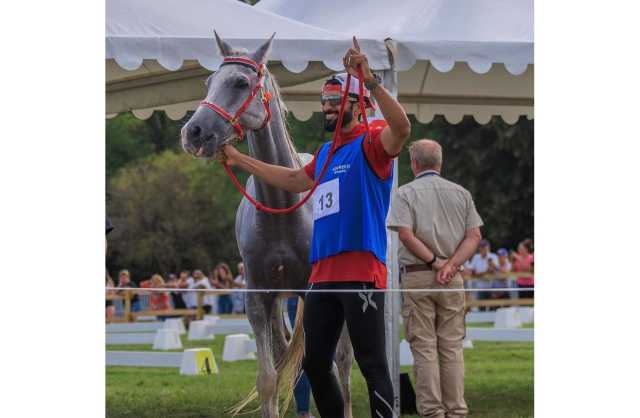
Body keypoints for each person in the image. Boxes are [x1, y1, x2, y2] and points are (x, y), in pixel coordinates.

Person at [221, 38, 411, 418]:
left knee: (372, 366)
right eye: (324, 102)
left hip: (360, 274)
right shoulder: (325, 153)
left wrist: (370, 80)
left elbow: (402, 128)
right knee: (313, 363)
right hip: (321, 278)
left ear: (357, 106)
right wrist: (241, 159)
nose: (326, 107)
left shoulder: (373, 143)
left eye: (334, 101)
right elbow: (292, 179)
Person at [387, 139, 482, 418]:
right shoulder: (461, 194)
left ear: (414, 163)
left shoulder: (404, 194)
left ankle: (432, 411)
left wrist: (434, 261)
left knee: (424, 346)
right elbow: (474, 236)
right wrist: (450, 265)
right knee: (452, 346)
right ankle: (456, 409)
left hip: (418, 276)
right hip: (451, 279)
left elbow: (405, 234)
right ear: (440, 163)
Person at [287, 296, 314, 418]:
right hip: (301, 297)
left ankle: (303, 411)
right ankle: (303, 410)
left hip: (302, 296)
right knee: (301, 355)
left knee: (302, 355)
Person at [465, 240, 498, 309]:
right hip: (480, 287)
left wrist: (492, 265)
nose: (483, 249)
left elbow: (496, 270)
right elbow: (471, 271)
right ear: (479, 248)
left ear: (488, 248)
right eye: (482, 247)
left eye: (485, 247)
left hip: (492, 287)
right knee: (481, 308)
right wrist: (486, 272)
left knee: (493, 308)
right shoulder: (476, 257)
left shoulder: (493, 256)